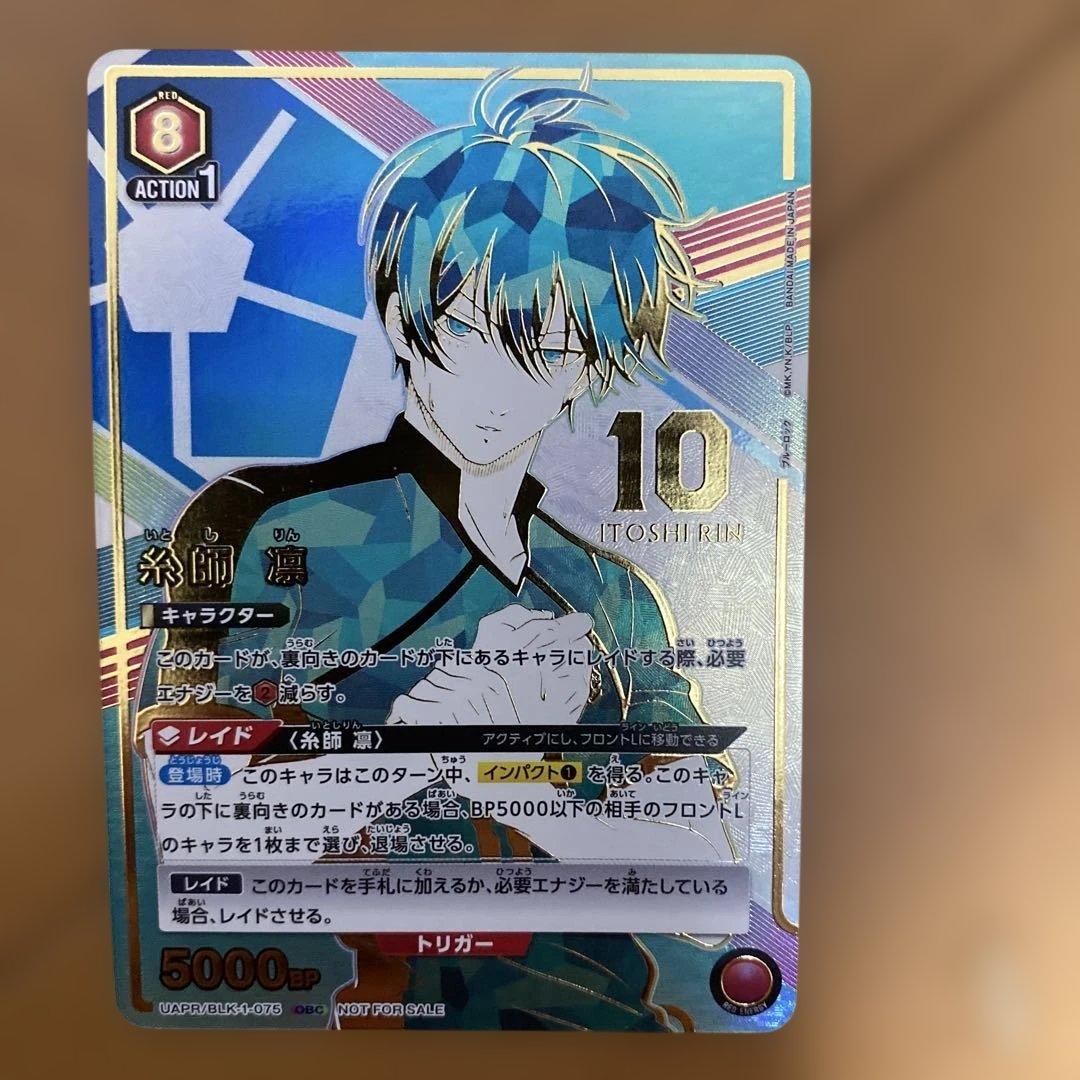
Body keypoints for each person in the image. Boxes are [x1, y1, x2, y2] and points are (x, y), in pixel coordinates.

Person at [140, 69, 731, 1030]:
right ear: (403, 319)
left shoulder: (607, 595)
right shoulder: (262, 521)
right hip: (372, 1027)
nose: (502, 379)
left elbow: (705, 889)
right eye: (465, 327)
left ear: (592, 361)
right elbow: (198, 830)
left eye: (552, 345)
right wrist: (424, 740)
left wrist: (506, 764)